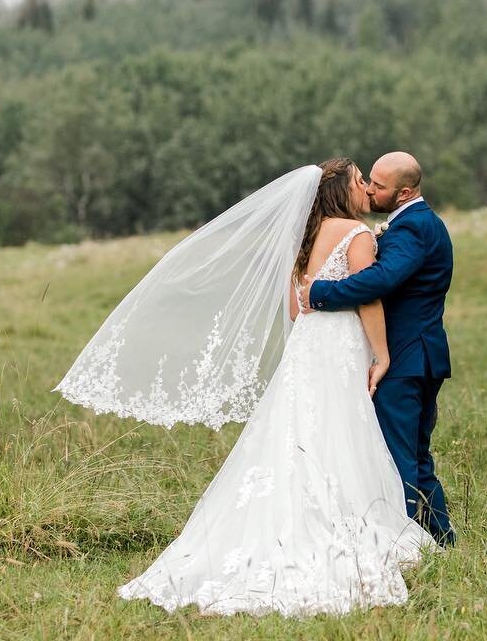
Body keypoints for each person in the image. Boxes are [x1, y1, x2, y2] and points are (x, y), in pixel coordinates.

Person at [56, 158, 435, 616]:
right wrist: (381, 353)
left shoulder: (306, 238)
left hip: (307, 350)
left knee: (296, 437)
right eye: (360, 181)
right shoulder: (354, 235)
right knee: (338, 434)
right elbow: (370, 296)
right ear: (341, 190)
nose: (366, 190)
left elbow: (297, 310)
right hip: (337, 349)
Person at [302, 151, 456, 546]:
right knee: (415, 457)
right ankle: (441, 539)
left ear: (404, 193)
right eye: (367, 180)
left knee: (398, 458)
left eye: (379, 186)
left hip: (406, 357)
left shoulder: (413, 228)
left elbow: (378, 280)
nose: (370, 189)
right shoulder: (413, 222)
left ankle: (408, 542)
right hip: (419, 356)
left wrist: (318, 292)